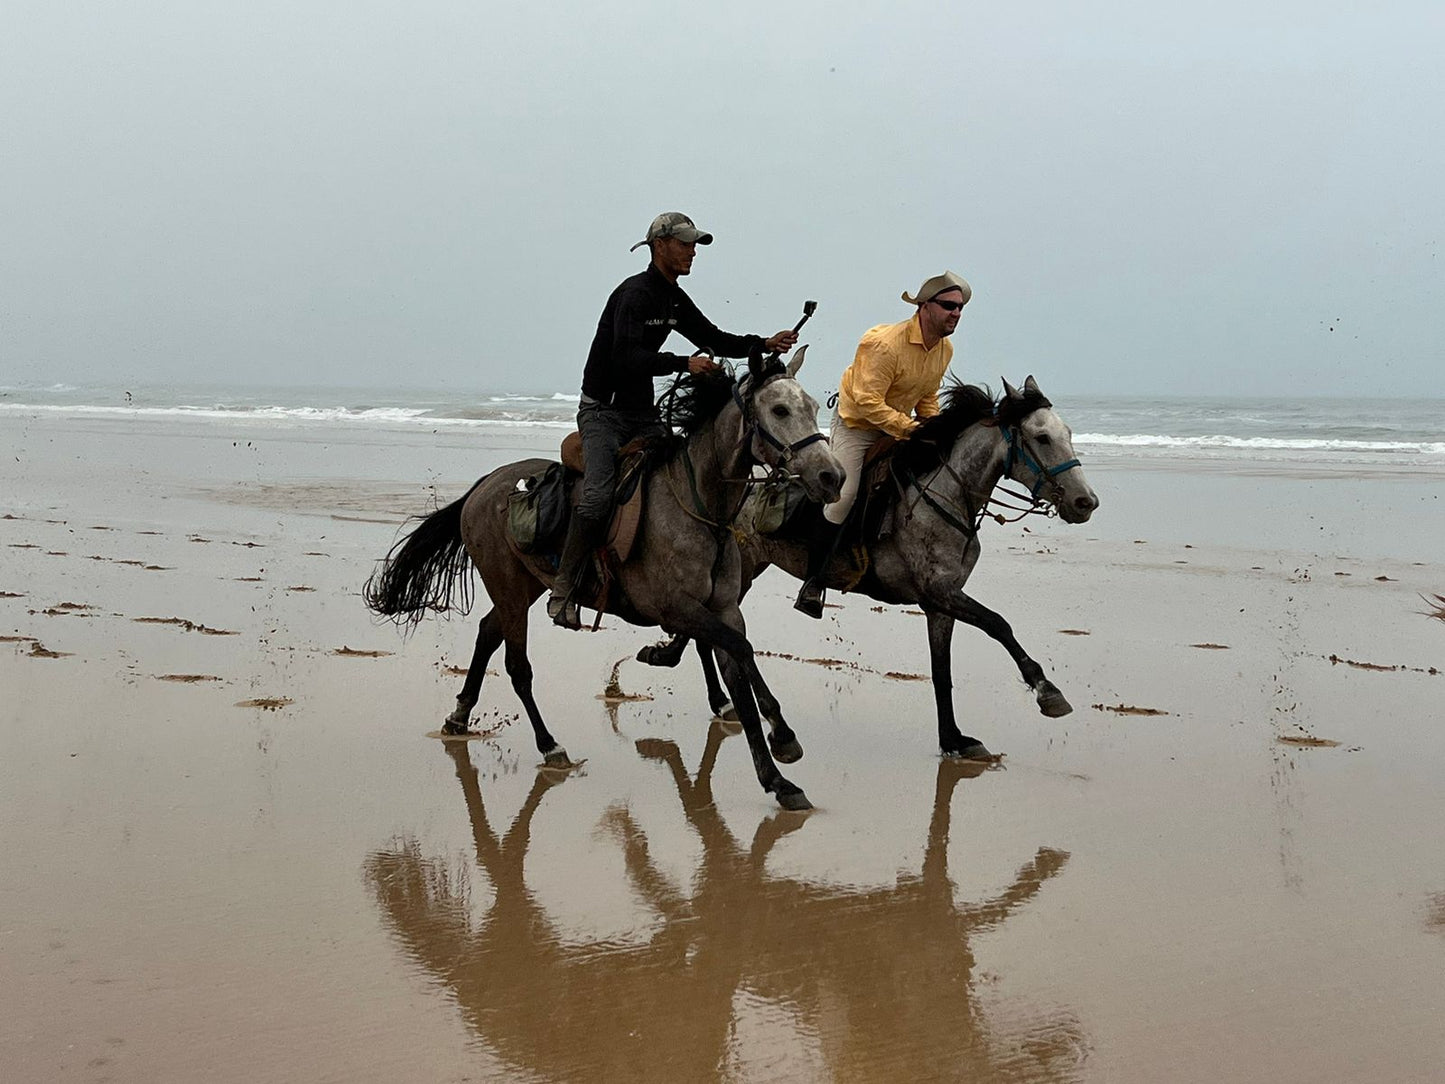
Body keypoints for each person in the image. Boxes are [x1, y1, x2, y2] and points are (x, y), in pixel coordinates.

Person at [547, 212, 801, 629]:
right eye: (685, 243)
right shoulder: (633, 295)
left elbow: (714, 337)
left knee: (678, 478)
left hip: (642, 414)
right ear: (659, 245)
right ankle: (564, 588)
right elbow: (624, 358)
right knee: (595, 498)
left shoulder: (672, 297)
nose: (693, 252)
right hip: (602, 413)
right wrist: (685, 362)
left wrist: (764, 342)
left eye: (695, 244)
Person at [794, 270, 971, 618]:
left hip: (898, 426)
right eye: (949, 306)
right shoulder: (884, 344)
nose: (956, 314)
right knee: (843, 495)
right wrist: (909, 428)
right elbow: (866, 401)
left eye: (961, 308)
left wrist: (931, 425)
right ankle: (813, 582)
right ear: (924, 307)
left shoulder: (944, 348)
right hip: (857, 425)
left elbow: (928, 396)